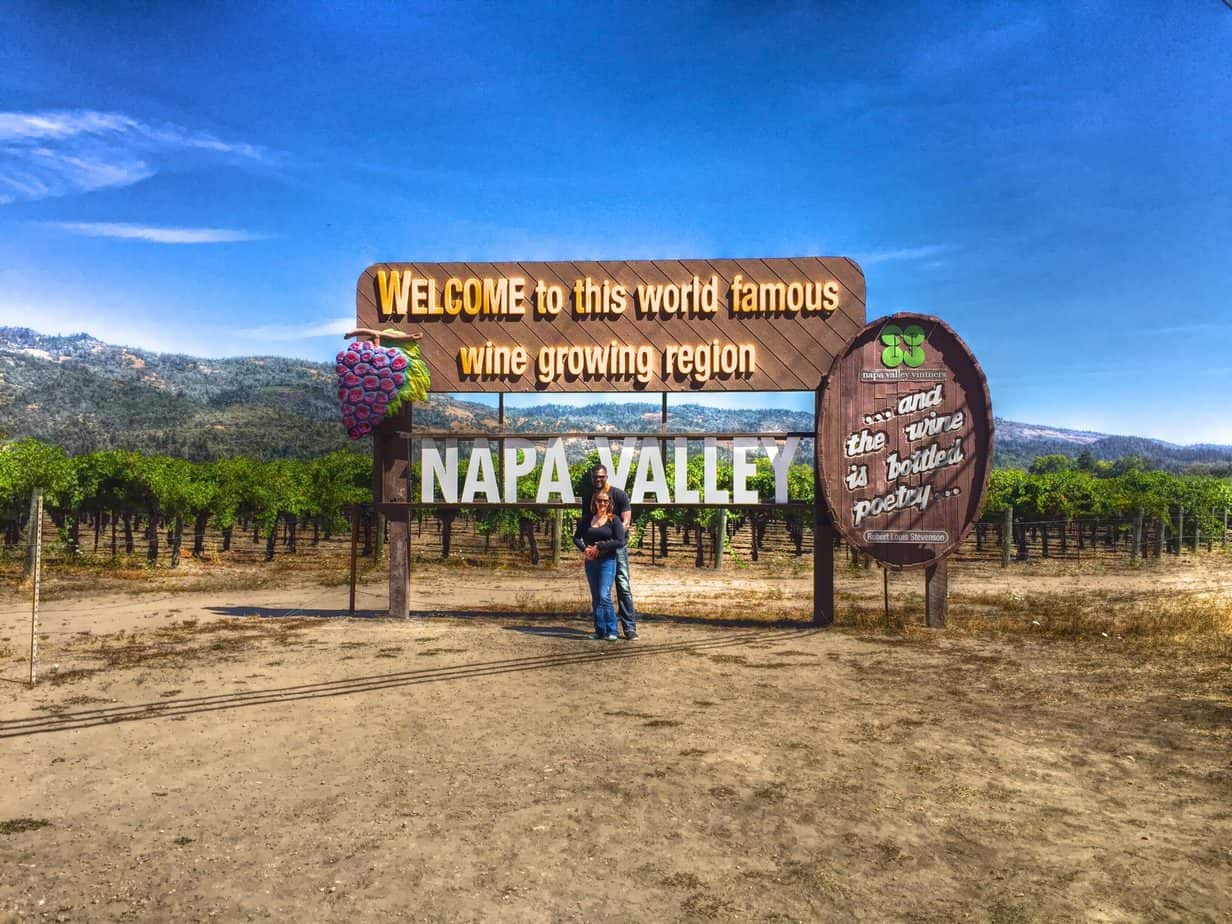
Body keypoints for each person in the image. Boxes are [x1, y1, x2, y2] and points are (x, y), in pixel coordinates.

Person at [580, 465, 639, 639]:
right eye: (595, 477)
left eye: (601, 477)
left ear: (606, 476)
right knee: (599, 592)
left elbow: (626, 521)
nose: (598, 480)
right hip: (595, 551)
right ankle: (602, 629)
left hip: (615, 548)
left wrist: (607, 542)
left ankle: (629, 628)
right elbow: (586, 522)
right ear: (592, 478)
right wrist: (588, 547)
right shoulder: (589, 498)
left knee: (622, 584)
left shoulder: (619, 495)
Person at [573, 489, 626, 641]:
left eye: (605, 501)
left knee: (604, 595)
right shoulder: (587, 519)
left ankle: (612, 630)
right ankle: (599, 630)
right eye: (599, 500)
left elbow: (620, 541)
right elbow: (576, 538)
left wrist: (600, 546)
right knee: (596, 597)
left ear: (609, 503)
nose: (602, 503)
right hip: (591, 562)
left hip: (607, 561)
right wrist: (585, 549)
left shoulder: (614, 520)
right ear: (594, 502)